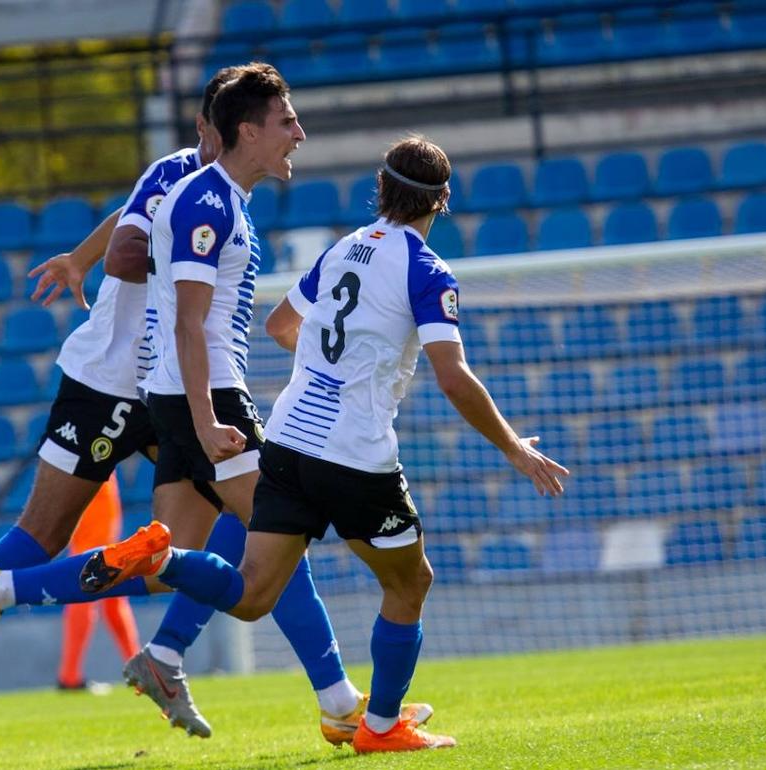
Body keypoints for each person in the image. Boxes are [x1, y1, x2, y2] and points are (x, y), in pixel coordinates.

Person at [0, 65, 371, 770]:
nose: (201, 140)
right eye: (204, 128)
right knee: (47, 535)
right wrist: (123, 263)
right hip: (114, 384)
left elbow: (127, 224)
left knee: (228, 534)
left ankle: (194, 661)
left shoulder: (213, 191)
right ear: (219, 127)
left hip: (165, 385)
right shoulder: (190, 182)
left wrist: (78, 259)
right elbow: (130, 241)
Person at [95, 135, 568, 752]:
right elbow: (454, 375)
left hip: (289, 442)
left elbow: (280, 324)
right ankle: (379, 727)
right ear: (442, 201)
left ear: (381, 187)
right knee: (409, 583)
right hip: (356, 454)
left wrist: (327, 369)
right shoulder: (426, 270)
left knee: (250, 594)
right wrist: (513, 447)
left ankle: (163, 559)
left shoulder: (343, 249)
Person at [56, 472, 139, 691]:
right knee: (92, 575)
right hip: (92, 468)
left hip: (88, 468)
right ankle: (70, 676)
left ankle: (136, 665)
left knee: (113, 587)